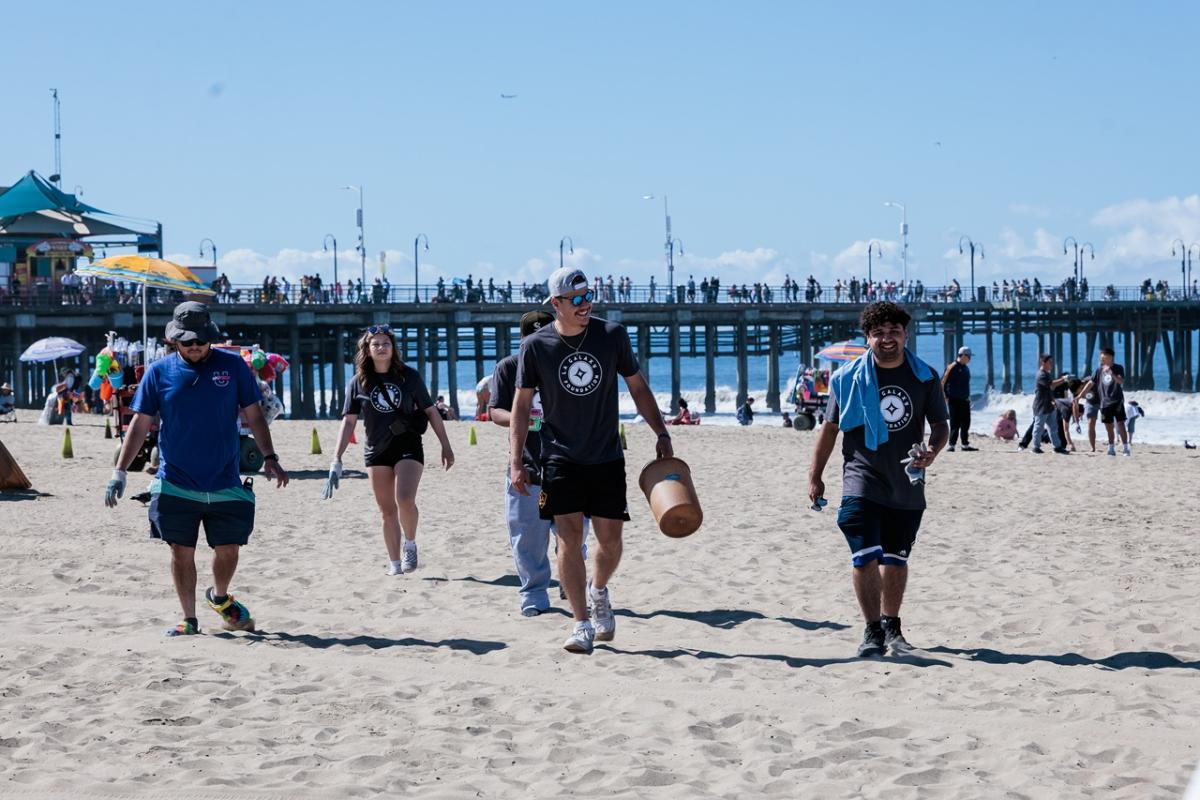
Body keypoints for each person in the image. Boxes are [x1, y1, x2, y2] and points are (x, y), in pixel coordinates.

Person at [508, 267, 672, 654]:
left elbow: (637, 386)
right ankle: (581, 622)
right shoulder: (536, 347)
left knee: (610, 541)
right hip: (559, 457)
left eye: (588, 297)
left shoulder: (611, 335)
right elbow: (520, 404)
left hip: (606, 456)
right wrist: (516, 460)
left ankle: (599, 590)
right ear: (556, 304)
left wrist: (661, 432)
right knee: (568, 538)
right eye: (576, 300)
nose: (585, 306)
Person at [104, 301, 289, 637]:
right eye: (187, 342)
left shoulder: (233, 367)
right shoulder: (159, 373)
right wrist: (120, 471)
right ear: (175, 340)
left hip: (225, 478)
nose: (194, 347)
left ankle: (220, 597)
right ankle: (188, 618)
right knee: (181, 551)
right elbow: (140, 424)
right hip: (175, 480)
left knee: (229, 549)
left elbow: (254, 414)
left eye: (200, 341)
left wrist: (270, 457)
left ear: (209, 339)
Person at [808, 301, 949, 657]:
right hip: (861, 476)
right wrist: (816, 476)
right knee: (864, 556)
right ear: (868, 337)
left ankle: (892, 625)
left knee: (895, 559)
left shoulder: (925, 377)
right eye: (879, 333)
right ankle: (872, 630)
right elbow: (829, 430)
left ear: (905, 334)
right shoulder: (846, 379)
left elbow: (942, 425)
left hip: (907, 479)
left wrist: (933, 450)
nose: (887, 339)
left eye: (894, 332)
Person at [325, 324, 455, 575]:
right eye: (376, 344)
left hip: (408, 445)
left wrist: (446, 446)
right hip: (376, 450)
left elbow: (431, 412)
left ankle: (411, 543)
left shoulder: (409, 376)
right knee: (386, 512)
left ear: (393, 347)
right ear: (367, 349)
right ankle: (394, 564)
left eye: (386, 343)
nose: (381, 348)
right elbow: (349, 421)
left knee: (404, 499)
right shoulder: (358, 382)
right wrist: (336, 458)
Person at [488, 310, 587, 615]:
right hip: (527, 467)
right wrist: (527, 420)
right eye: (534, 337)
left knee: (574, 536)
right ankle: (533, 595)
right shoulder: (508, 368)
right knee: (527, 539)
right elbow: (496, 412)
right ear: (524, 341)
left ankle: (570, 587)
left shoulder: (572, 366)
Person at [1076, 348, 1130, 456]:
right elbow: (1090, 383)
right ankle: (1111, 448)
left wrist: (1111, 373)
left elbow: (1120, 381)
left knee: (1121, 424)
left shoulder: (1118, 368)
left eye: (1104, 358)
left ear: (1110, 357)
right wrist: (1080, 396)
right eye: (1101, 358)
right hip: (1104, 402)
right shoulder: (1098, 370)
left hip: (1117, 400)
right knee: (1108, 426)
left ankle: (1125, 448)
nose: (1102, 360)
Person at [1029, 354, 1069, 454]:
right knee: (1039, 426)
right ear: (1043, 362)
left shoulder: (1046, 373)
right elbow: (1051, 384)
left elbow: (1049, 389)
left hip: (1049, 405)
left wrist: (1053, 400)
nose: (1051, 364)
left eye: (1052, 362)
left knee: (1053, 427)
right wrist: (1063, 379)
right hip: (1041, 405)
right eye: (1049, 362)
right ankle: (1035, 447)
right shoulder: (1041, 374)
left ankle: (1057, 447)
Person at [941, 346, 976, 451]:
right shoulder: (952, 367)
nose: (970, 358)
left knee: (966, 422)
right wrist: (946, 397)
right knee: (955, 423)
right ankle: (951, 444)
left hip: (964, 399)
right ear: (964, 355)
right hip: (954, 400)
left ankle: (965, 444)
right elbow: (943, 382)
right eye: (969, 356)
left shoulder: (965, 367)